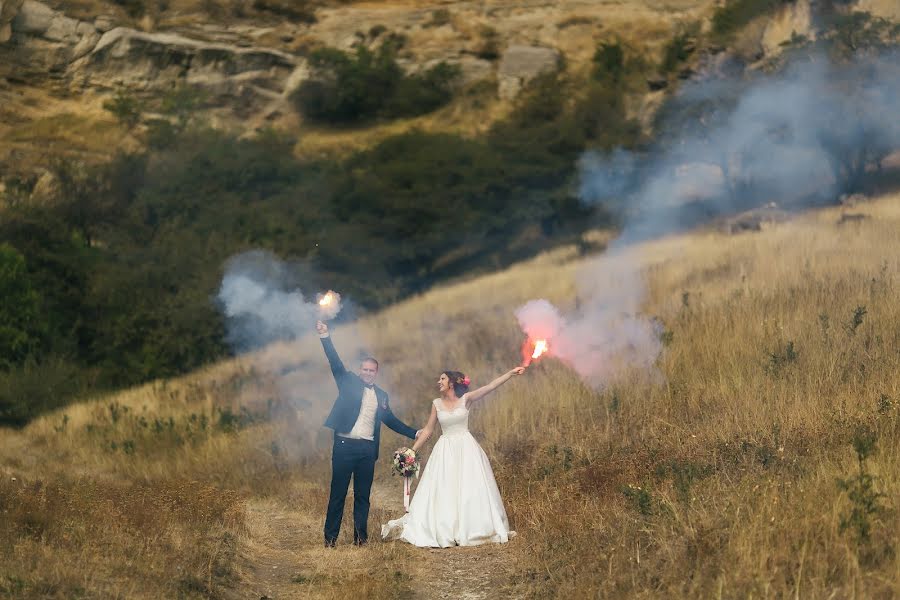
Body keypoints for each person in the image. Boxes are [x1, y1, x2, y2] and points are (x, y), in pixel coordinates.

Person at [381, 366, 526, 547]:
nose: (438, 382)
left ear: (451, 383)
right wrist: (412, 451)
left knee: (469, 487)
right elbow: (428, 431)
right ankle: (446, 526)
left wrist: (510, 374)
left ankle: (472, 527)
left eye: (442, 379)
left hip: (467, 449)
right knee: (445, 487)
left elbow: (490, 386)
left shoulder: (466, 399)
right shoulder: (436, 404)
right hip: (445, 449)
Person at [317, 320, 420, 547]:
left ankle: (360, 539)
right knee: (338, 494)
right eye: (365, 369)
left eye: (372, 371)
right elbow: (334, 362)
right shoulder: (348, 382)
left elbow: (390, 420)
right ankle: (330, 540)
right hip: (344, 446)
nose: (368, 373)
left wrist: (415, 432)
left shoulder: (382, 395)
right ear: (360, 370)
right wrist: (325, 336)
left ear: (376, 373)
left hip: (367, 450)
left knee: (363, 497)